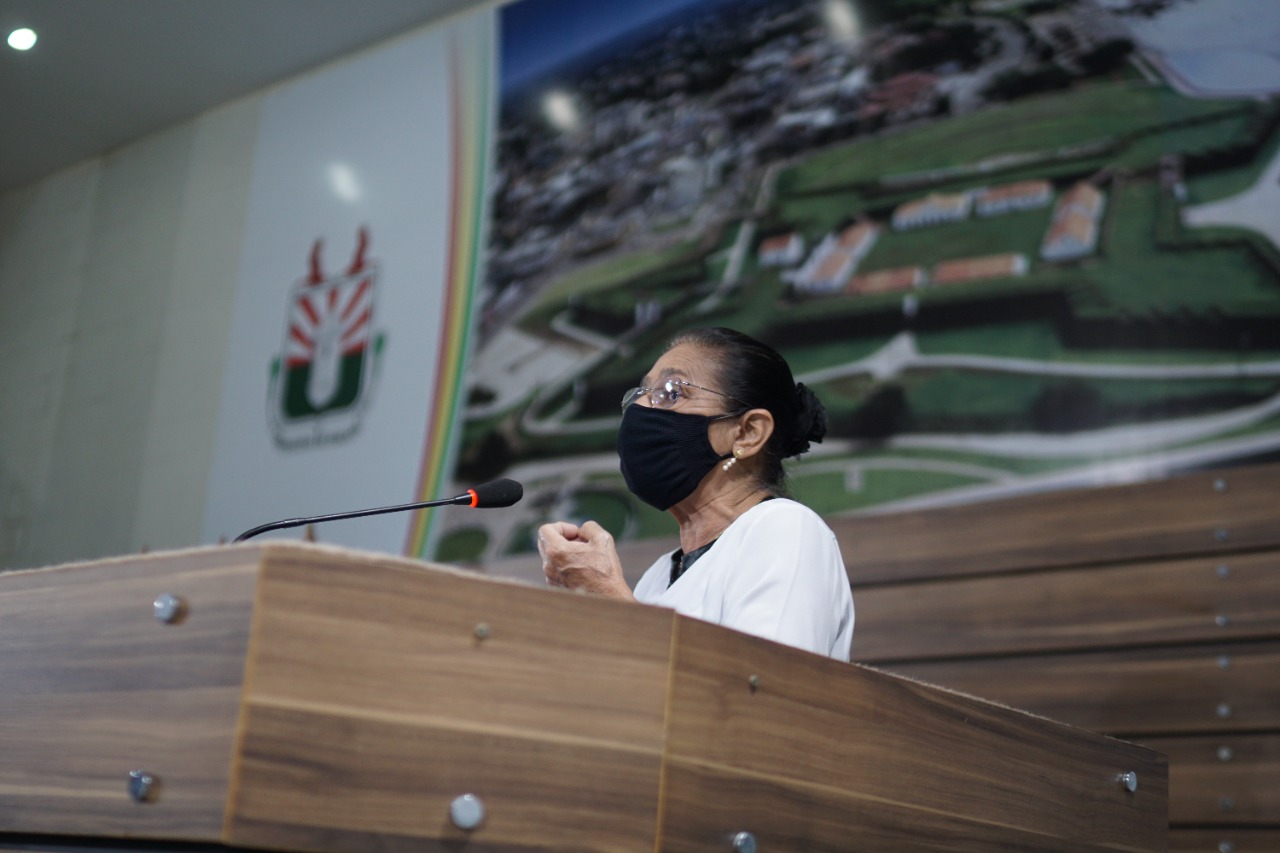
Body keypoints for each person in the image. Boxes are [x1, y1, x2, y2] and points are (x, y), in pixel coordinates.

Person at [537, 327, 854, 661]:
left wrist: (608, 596)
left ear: (747, 433)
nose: (640, 409)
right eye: (641, 394)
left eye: (671, 392)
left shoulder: (786, 529)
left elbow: (763, 692)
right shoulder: (659, 577)